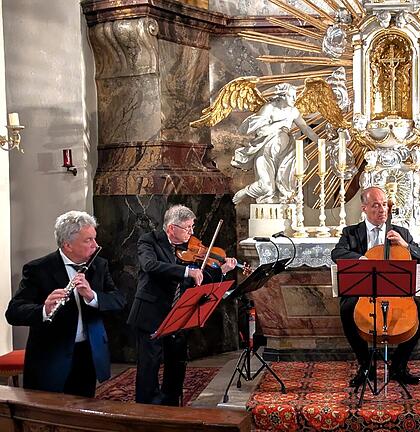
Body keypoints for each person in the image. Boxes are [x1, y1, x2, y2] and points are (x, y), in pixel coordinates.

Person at [5, 211, 125, 397]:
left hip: (87, 354)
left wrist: (92, 296)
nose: (96, 245)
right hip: (51, 358)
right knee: (48, 418)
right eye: (88, 240)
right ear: (67, 245)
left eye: (95, 238)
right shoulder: (38, 269)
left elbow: (118, 300)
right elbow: (13, 312)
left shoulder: (99, 265)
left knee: (82, 413)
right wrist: (44, 309)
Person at [127, 205, 236, 405]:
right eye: (188, 228)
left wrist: (222, 270)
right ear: (171, 228)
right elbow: (149, 266)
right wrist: (187, 272)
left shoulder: (187, 248)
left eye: (192, 227)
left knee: (176, 363)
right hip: (151, 312)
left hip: (179, 312)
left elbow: (199, 277)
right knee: (149, 366)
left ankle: (172, 405)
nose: (192, 233)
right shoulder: (149, 241)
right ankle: (146, 412)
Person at [331, 187, 420, 387]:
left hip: (395, 292)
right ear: (364, 208)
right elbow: (337, 252)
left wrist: (406, 246)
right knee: (347, 308)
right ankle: (365, 366)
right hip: (363, 292)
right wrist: (363, 259)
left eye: (384, 205)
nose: (382, 210)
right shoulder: (351, 232)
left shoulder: (401, 233)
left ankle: (399, 367)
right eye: (376, 205)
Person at [231, 83, 319, 205]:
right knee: (266, 188)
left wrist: (320, 142)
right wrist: (281, 125)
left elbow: (306, 129)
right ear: (283, 96)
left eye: (295, 96)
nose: (295, 99)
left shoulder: (293, 111)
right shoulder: (269, 108)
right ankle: (245, 192)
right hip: (266, 154)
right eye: (292, 96)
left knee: (286, 188)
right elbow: (260, 130)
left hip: (286, 156)